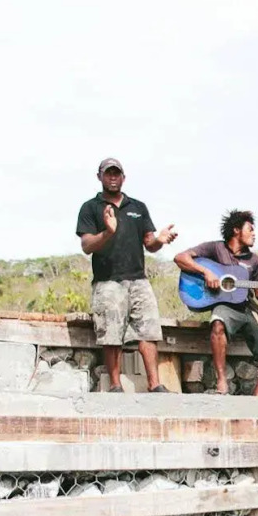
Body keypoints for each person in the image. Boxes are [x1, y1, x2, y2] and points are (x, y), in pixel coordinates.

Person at [75, 158, 178, 392]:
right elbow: (87, 245)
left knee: (149, 330)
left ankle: (155, 384)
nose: (113, 177)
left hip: (139, 279)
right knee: (111, 333)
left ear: (123, 177)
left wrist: (160, 240)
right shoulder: (90, 207)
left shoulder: (138, 207)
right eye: (108, 173)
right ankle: (115, 384)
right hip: (108, 281)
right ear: (99, 176)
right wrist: (108, 232)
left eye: (117, 173)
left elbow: (149, 243)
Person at [174, 210, 258, 396]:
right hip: (225, 306)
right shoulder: (215, 249)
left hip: (248, 307)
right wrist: (206, 272)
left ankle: (257, 399)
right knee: (218, 322)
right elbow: (180, 258)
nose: (254, 234)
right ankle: (221, 381)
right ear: (236, 230)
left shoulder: (255, 260)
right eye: (250, 229)